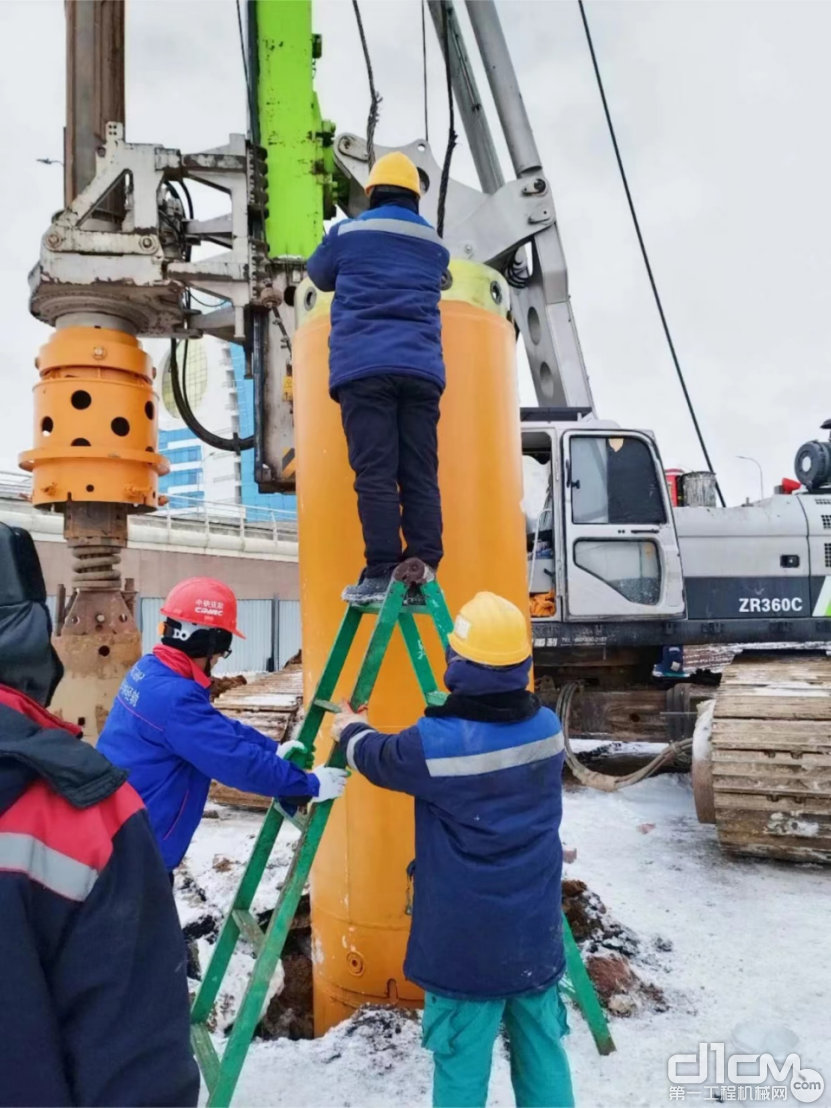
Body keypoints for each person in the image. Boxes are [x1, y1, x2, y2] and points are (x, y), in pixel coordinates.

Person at [332, 591, 574, 1108]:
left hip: (466, 946)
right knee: (544, 1054)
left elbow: (376, 757)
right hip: (534, 932)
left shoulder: (435, 744)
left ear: (458, 664)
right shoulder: (548, 729)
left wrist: (348, 727)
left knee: (462, 1068)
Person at [0, 522, 199, 1107]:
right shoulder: (81, 816)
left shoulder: (149, 677)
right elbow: (136, 1074)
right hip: (134, 863)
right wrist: (303, 778)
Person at [98, 577, 347, 875]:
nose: (218, 659)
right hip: (135, 857)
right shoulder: (175, 699)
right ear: (209, 641)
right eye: (222, 648)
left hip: (119, 830)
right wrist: (307, 786)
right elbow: (234, 760)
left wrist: (273, 749)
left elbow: (216, 729)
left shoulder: (151, 671)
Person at [306, 150, 451, 604]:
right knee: (420, 473)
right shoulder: (435, 245)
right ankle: (423, 563)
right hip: (421, 372)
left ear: (371, 193)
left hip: (365, 368)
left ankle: (382, 569)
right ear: (415, 196)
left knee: (376, 473)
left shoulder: (347, 233)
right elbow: (442, 280)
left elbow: (319, 274)